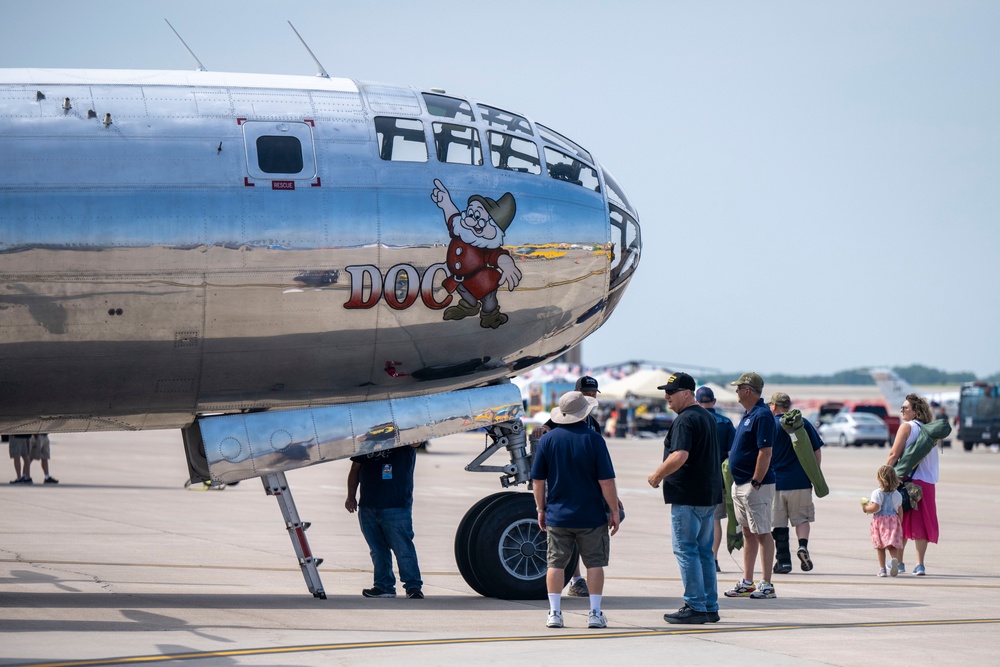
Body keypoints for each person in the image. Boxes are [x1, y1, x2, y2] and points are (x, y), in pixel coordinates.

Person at [531, 390, 621, 630]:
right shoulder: (594, 440)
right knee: (594, 564)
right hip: (590, 516)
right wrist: (614, 510)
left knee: (555, 564)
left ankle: (554, 613)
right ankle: (594, 613)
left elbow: (538, 481)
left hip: (558, 515)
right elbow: (606, 481)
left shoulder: (548, 440)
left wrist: (541, 508)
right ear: (584, 414)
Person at [647, 373, 723, 624]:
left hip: (688, 496)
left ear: (688, 393)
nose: (667, 396)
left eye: (672, 391)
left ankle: (695, 605)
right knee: (703, 552)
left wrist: (657, 475)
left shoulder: (685, 420)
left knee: (686, 550)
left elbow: (680, 455)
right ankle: (710, 606)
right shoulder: (706, 417)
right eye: (665, 391)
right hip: (707, 495)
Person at [534, 375, 603, 598]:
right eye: (587, 393)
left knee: (581, 545)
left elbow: (601, 468)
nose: (591, 396)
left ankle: (564, 600)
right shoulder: (563, 417)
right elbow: (546, 429)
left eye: (593, 393)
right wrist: (540, 430)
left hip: (587, 493)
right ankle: (577, 580)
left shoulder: (594, 425)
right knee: (571, 545)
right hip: (564, 493)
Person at [345, 443, 424, 598]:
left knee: (403, 548)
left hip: (396, 505)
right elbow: (355, 469)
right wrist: (351, 496)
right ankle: (384, 586)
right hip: (368, 505)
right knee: (377, 550)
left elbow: (417, 441)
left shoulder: (404, 441)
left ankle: (413, 587)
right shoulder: (368, 442)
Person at [724, 372, 777, 599]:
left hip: (756, 485)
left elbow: (765, 452)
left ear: (748, 390)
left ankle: (766, 583)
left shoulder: (762, 415)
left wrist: (756, 480)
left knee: (763, 532)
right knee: (747, 532)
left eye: (738, 388)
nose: (736, 392)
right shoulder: (749, 414)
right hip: (741, 484)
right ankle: (747, 581)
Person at [768, 392, 822, 574]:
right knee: (802, 519)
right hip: (800, 481)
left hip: (775, 483)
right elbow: (816, 451)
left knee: (779, 523)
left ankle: (783, 561)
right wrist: (813, 475)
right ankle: (803, 546)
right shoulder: (803, 424)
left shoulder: (769, 425)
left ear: (774, 406)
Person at [885, 393, 937, 576]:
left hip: (907, 482)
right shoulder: (930, 431)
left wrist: (885, 474)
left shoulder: (906, 427)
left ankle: (899, 563)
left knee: (901, 521)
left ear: (915, 412)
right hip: (928, 483)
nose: (901, 410)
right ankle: (920, 564)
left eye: (905, 408)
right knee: (922, 523)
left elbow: (893, 454)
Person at [695, 386, 736, 574]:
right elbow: (732, 454)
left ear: (696, 401)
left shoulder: (693, 420)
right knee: (715, 519)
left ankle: (700, 558)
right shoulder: (726, 423)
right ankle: (713, 558)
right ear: (714, 401)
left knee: (697, 519)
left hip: (698, 476)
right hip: (719, 476)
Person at [862, 465, 904, 577]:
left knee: (880, 547)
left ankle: (882, 569)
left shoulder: (877, 493)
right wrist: (899, 523)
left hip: (881, 522)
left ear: (879, 478)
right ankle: (895, 559)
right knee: (892, 545)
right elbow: (900, 510)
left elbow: (875, 508)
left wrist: (865, 508)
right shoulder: (897, 494)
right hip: (893, 521)